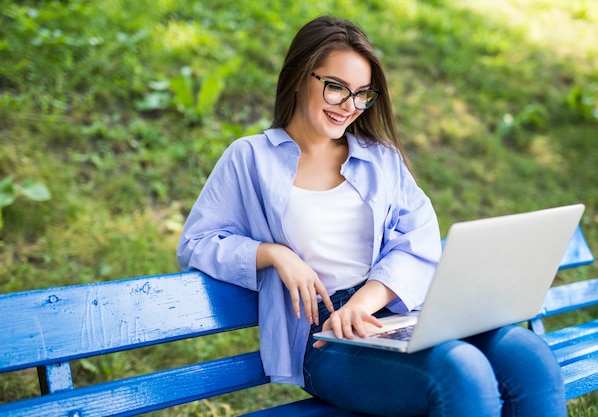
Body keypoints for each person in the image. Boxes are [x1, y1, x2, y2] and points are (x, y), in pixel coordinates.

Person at [177, 15, 566, 417]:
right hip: (325, 339)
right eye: (336, 89)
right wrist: (276, 254)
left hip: (392, 311)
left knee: (527, 357)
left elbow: (418, 238)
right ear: (298, 77)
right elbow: (197, 243)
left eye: (362, 94)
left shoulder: (380, 160)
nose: (350, 107)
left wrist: (365, 302)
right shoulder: (251, 158)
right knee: (458, 372)